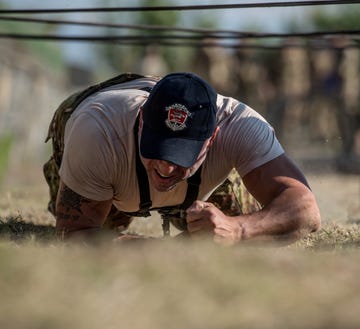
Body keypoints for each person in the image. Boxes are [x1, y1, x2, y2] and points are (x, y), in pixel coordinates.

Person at [44, 72, 321, 245]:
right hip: (97, 131)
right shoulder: (98, 130)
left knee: (242, 230)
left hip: (198, 179)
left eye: (181, 153)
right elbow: (74, 234)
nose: (166, 166)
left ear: (212, 138)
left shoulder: (239, 125)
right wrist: (166, 253)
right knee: (100, 233)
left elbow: (305, 210)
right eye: (158, 147)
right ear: (141, 122)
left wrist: (238, 229)